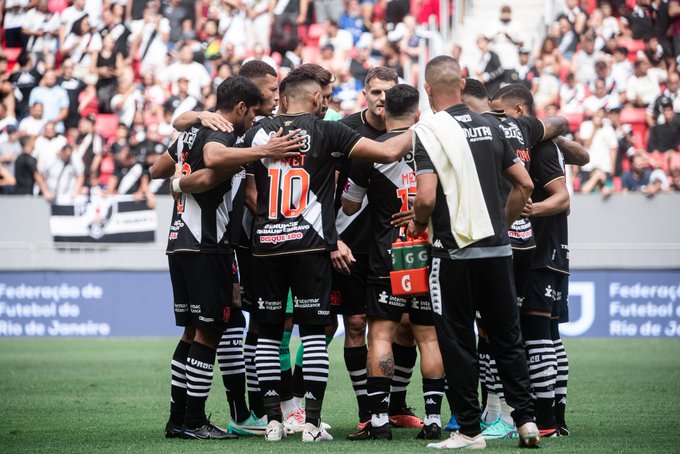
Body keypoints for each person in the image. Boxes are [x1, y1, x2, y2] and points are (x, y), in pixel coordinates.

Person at [238, 66, 413, 442]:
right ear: (317, 99)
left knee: (269, 335)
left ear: (283, 98)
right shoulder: (328, 130)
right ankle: (312, 425)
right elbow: (388, 150)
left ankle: (273, 422)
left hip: (266, 245)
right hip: (310, 245)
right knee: (314, 332)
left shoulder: (258, 134)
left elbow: (232, 172)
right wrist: (429, 125)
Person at [149, 75, 298, 440]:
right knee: (210, 331)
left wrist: (181, 175)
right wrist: (264, 152)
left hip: (179, 241)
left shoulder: (190, 132)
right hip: (207, 245)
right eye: (253, 114)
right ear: (242, 107)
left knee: (190, 332)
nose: (252, 123)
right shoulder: (223, 135)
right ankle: (195, 420)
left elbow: (156, 169)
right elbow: (214, 159)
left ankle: (178, 419)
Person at [407, 56, 540, 449]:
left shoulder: (427, 131)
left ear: (428, 91)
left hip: (452, 254)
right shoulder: (493, 125)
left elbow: (426, 198)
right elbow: (525, 185)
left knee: (457, 339)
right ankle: (527, 422)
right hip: (498, 249)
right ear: (462, 84)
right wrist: (499, 222)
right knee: (507, 337)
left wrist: (416, 222)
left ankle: (469, 431)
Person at [461, 78, 572, 441]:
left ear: (517, 111)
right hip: (538, 247)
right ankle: (550, 416)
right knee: (540, 334)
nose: (494, 117)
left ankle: (528, 417)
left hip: (529, 247)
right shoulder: (533, 135)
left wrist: (529, 209)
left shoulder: (523, 140)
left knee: (523, 332)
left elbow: (562, 196)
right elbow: (573, 143)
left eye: (499, 110)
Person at [344, 84, 446, 442]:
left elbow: (349, 206)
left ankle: (378, 421)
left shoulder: (369, 154)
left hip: (387, 255)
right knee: (428, 337)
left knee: (381, 335)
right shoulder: (435, 146)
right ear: (418, 115)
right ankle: (434, 419)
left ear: (384, 114)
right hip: (428, 251)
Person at [335, 66, 423, 431]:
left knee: (405, 326)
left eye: (389, 91)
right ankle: (366, 413)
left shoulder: (416, 133)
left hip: (398, 245)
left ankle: (396, 405)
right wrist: (331, 237)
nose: (382, 98)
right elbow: (327, 187)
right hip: (352, 246)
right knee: (356, 325)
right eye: (375, 92)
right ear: (365, 95)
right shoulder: (345, 131)